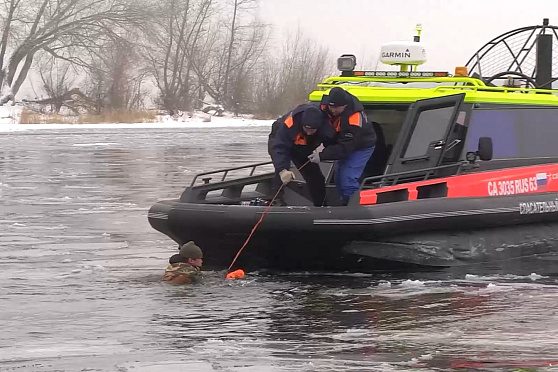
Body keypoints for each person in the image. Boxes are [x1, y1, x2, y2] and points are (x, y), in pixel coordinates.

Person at [309, 87, 377, 205]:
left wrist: (322, 155)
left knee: (348, 179)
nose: (333, 110)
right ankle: (344, 203)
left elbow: (346, 148)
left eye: (337, 107)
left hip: (361, 146)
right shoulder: (324, 107)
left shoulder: (354, 119)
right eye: (331, 106)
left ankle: (355, 208)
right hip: (341, 142)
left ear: (344, 106)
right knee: (339, 179)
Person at [268, 104, 328, 206]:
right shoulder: (289, 125)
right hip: (280, 140)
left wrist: (323, 153)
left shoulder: (325, 124)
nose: (309, 133)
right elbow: (279, 147)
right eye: (307, 129)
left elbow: (331, 141)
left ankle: (320, 204)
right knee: (282, 172)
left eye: (312, 130)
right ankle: (276, 202)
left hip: (303, 145)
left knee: (315, 176)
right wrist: (282, 169)